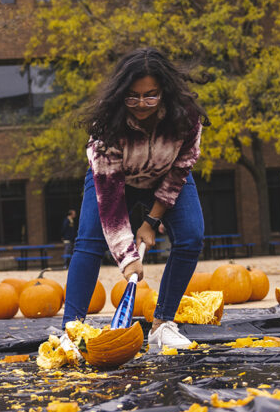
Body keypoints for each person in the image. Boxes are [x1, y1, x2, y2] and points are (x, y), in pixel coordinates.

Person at [61, 47, 208, 351]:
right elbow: (112, 203)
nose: (142, 104)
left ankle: (162, 323)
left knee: (192, 236)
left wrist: (151, 221)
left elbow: (181, 169)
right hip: (117, 182)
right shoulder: (106, 126)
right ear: (121, 94)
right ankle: (71, 330)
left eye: (150, 95)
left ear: (164, 92)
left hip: (165, 176)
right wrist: (128, 259)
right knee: (88, 241)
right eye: (133, 96)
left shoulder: (187, 118)